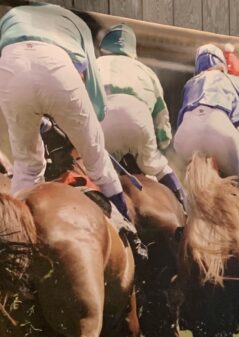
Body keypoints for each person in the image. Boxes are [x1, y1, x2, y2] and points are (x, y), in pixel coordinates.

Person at [0, 2, 134, 226]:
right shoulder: (77, 22)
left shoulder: (11, 15)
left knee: (27, 165)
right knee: (96, 159)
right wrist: (93, 121)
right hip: (56, 68)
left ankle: (14, 231)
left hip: (10, 68)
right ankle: (127, 224)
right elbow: (93, 88)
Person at [96, 23, 186, 208]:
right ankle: (184, 209)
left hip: (103, 123)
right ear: (132, 51)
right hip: (139, 121)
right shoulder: (147, 72)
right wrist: (160, 144)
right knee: (158, 167)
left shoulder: (95, 64)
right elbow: (161, 118)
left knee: (93, 171)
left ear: (103, 48)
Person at [173, 43, 239, 191]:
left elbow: (180, 118)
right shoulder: (232, 80)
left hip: (184, 137)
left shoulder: (190, 83)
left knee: (187, 188)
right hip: (218, 130)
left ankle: (186, 206)